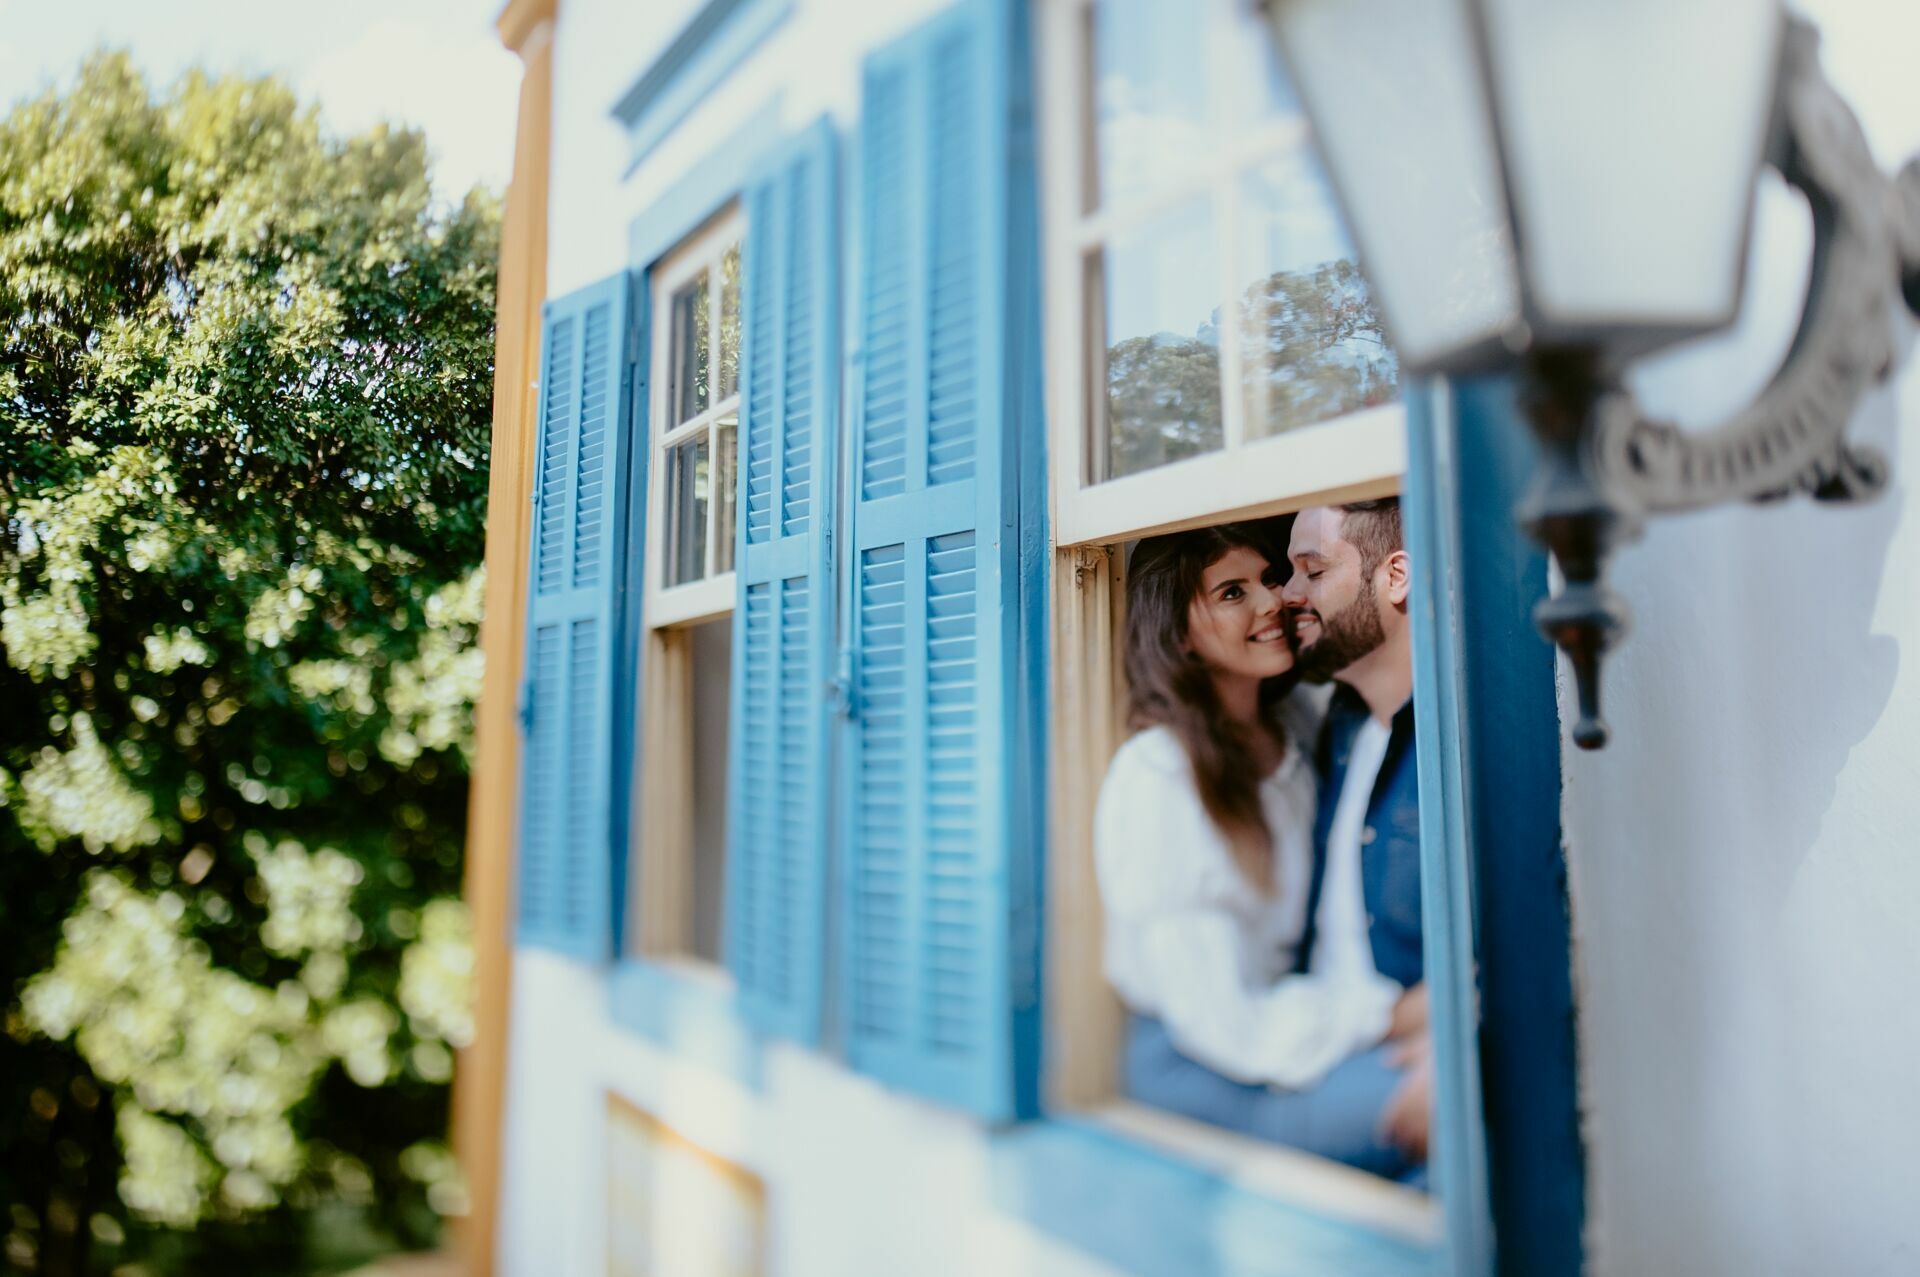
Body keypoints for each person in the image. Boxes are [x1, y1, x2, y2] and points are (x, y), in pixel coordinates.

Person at [1094, 522, 1423, 1180]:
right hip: (1206, 1059)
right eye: (1231, 592)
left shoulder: (1297, 726)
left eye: (1272, 579)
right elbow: (1226, 1022)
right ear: (1179, 633)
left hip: (1293, 1023)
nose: (1272, 601)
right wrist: (1393, 1014)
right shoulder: (1160, 774)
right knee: (1461, 1111)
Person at [1284, 498, 1432, 1166]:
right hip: (1309, 1049)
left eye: (1310, 570)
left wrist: (1471, 1031)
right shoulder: (1335, 725)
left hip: (1396, 1069)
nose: (1287, 594)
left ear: (1396, 577)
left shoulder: (1462, 744)